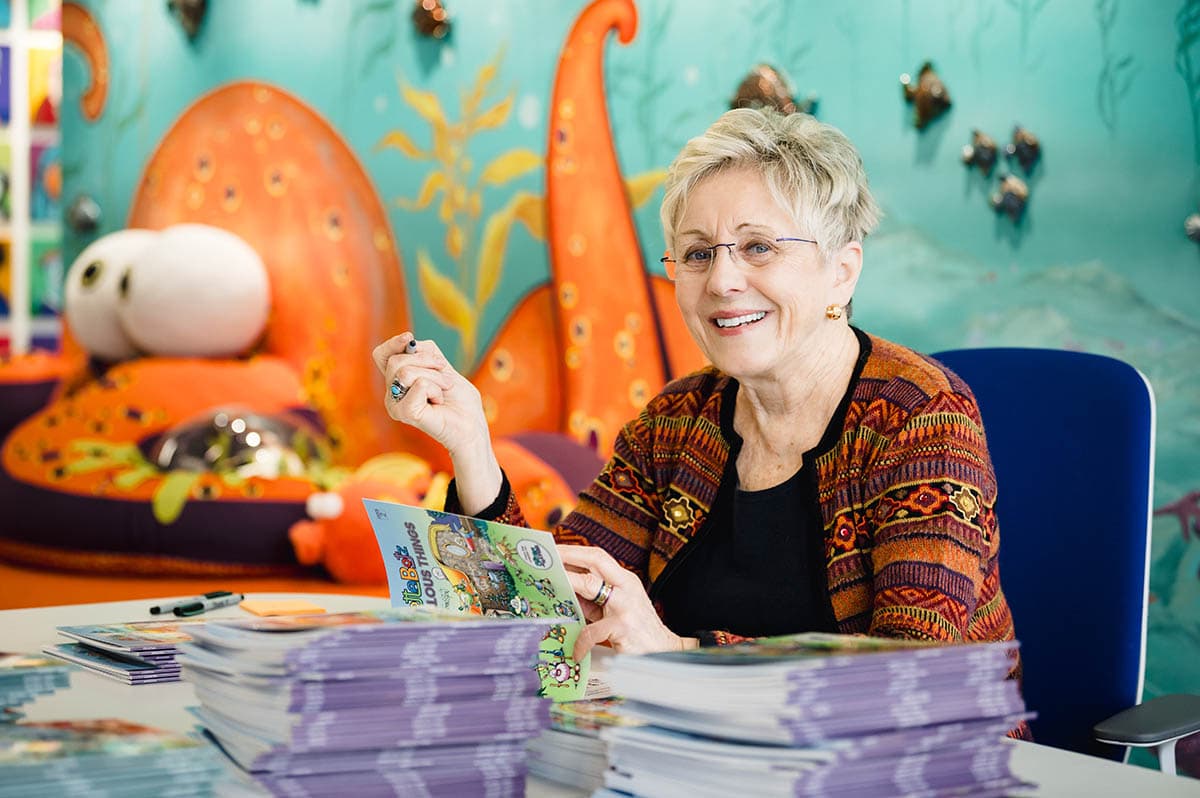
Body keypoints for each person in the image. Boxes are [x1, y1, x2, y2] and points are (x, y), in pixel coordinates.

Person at [373, 108, 1025, 725]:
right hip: (692, 761)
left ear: (842, 273)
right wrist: (471, 447)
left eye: (759, 247)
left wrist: (680, 658)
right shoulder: (677, 420)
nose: (721, 280)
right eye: (697, 252)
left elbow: (915, 680)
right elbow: (554, 608)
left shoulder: (922, 418)